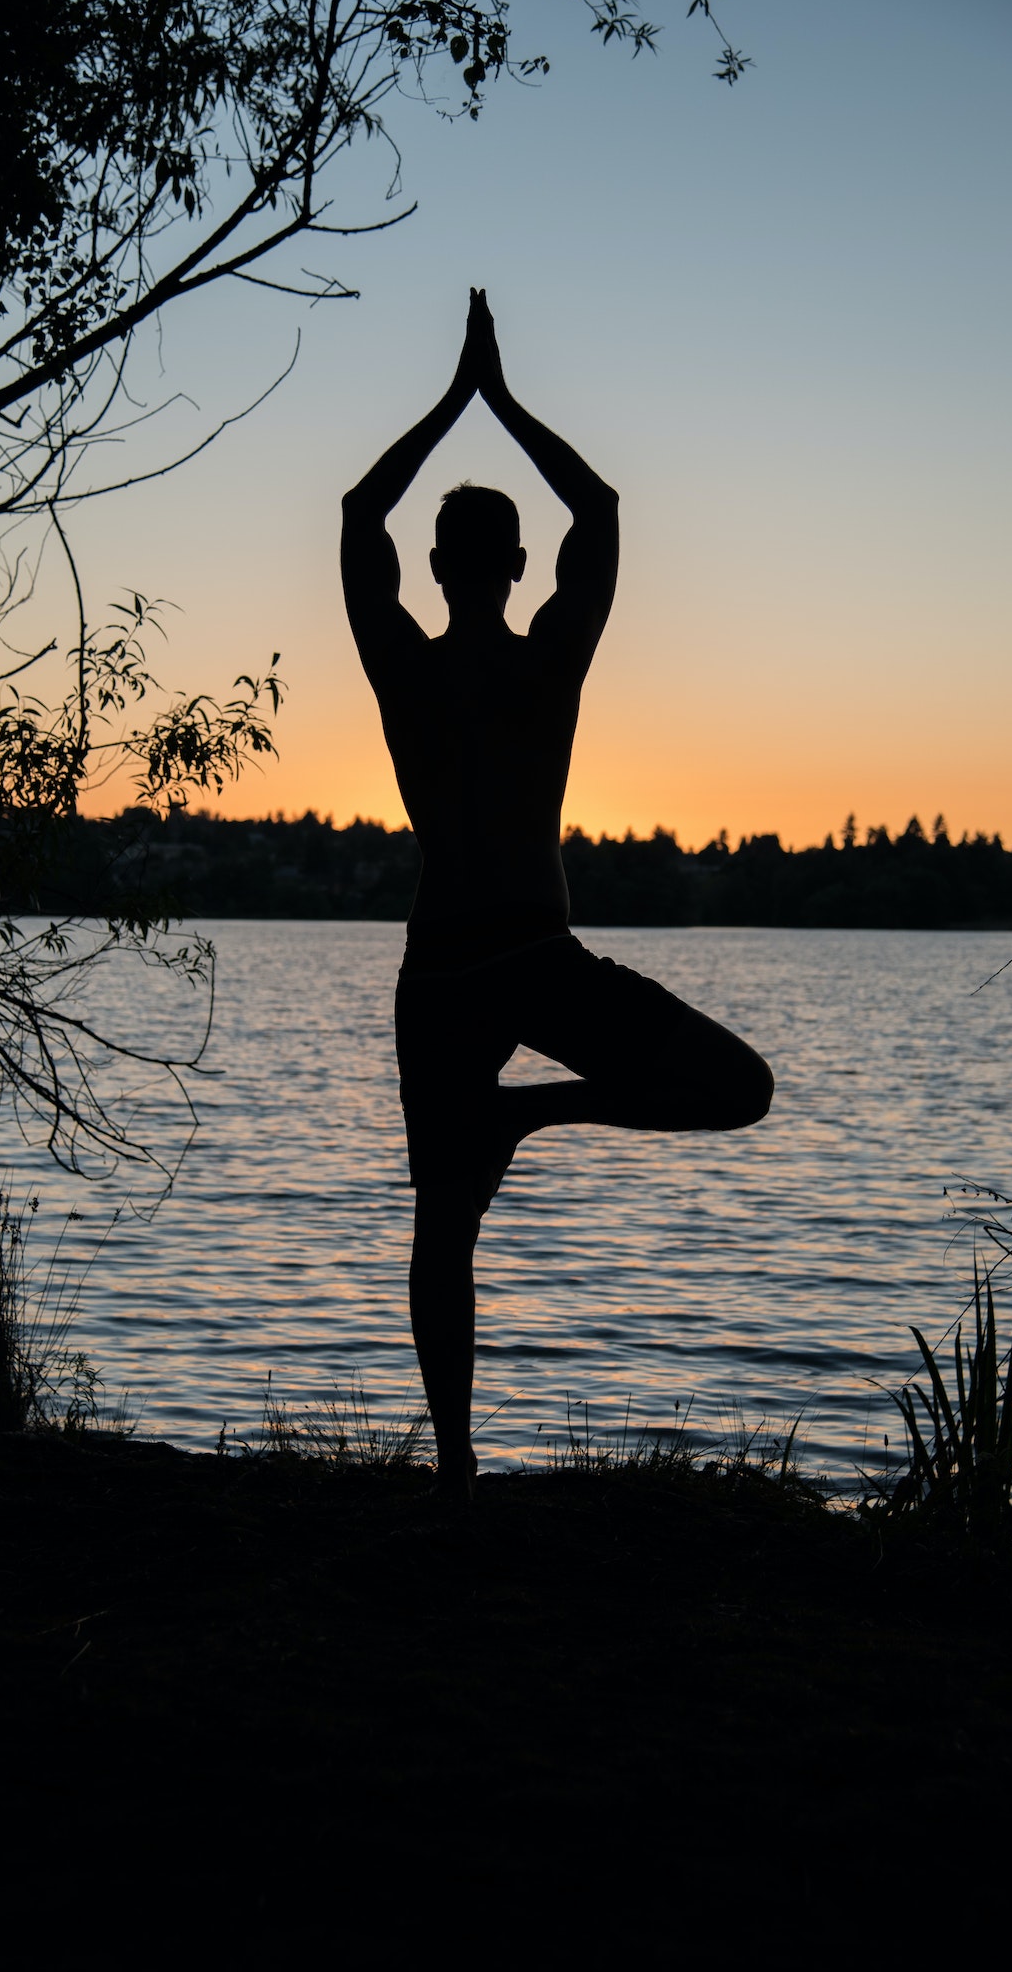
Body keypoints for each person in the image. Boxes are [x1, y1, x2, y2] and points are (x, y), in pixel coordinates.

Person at [341, 290, 773, 1500]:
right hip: (530, 951)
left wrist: (448, 401)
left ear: (435, 566)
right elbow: (603, 508)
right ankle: (535, 1117)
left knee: (445, 1226)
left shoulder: (405, 666)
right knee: (740, 1088)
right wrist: (504, 399)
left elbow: (356, 512)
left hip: (443, 967)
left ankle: (457, 1468)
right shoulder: (548, 661)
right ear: (518, 566)